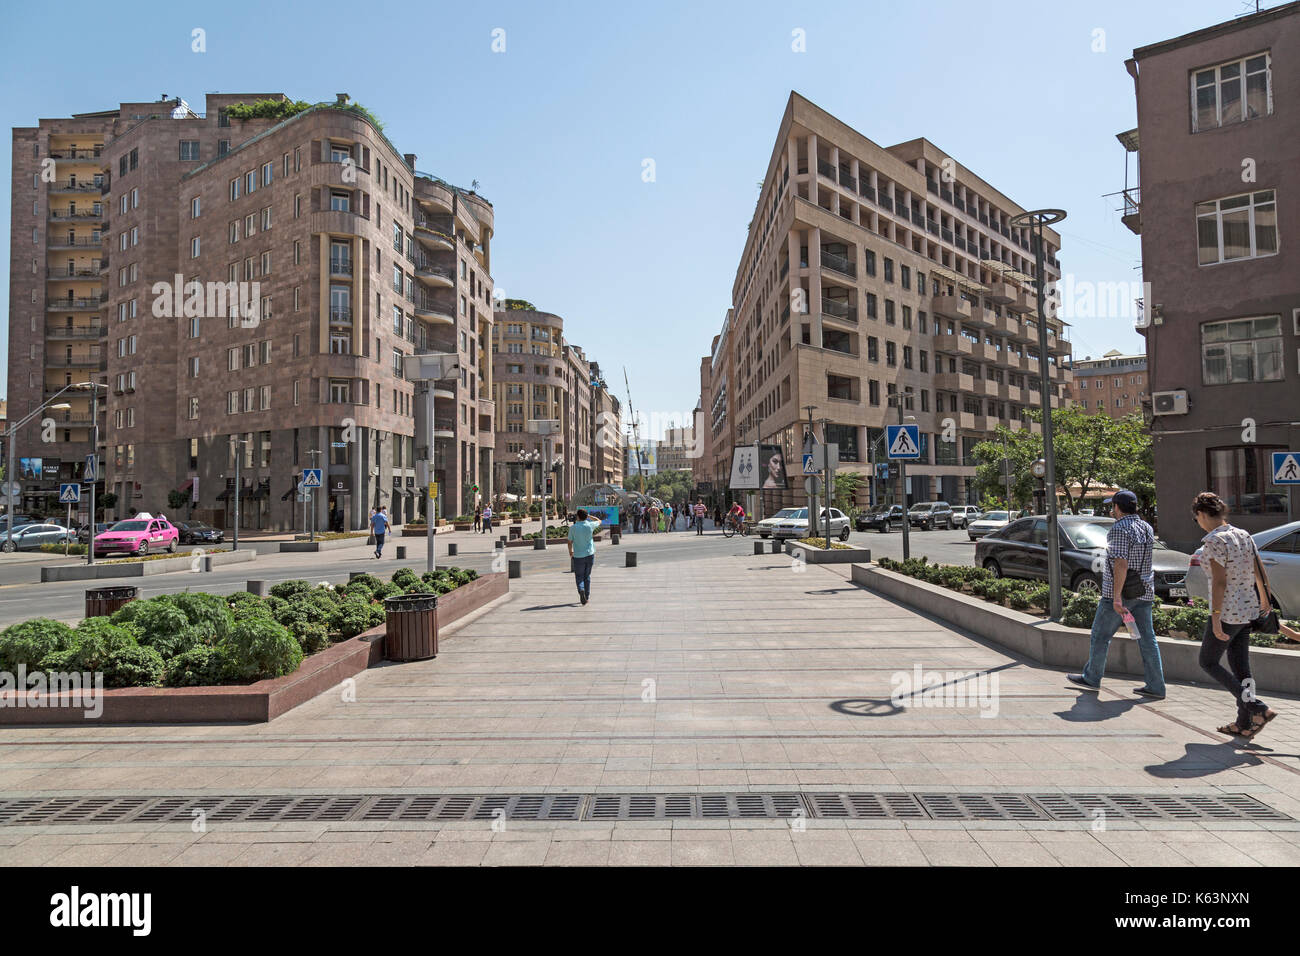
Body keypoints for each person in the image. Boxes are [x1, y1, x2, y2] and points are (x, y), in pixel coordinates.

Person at [1191, 491, 1278, 739]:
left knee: (1207, 662)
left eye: (1197, 518)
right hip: (1248, 609)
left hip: (1228, 612)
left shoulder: (1214, 541)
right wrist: (1264, 598)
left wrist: (1216, 617)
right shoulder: (1243, 535)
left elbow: (1219, 582)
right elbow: (1258, 568)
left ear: (1201, 514)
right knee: (1241, 668)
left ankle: (1257, 708)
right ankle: (1244, 723)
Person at [1067, 490, 1166, 699]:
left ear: (1118, 508)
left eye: (1112, 506)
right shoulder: (1147, 527)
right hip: (1144, 591)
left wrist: (1117, 597)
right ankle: (1156, 686)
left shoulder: (1119, 529)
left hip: (1120, 594)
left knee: (1100, 635)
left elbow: (1121, 564)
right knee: (1148, 639)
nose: (1112, 510)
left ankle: (1092, 678)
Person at [566, 508, 602, 606]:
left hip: (578, 556)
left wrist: (570, 552)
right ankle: (587, 595)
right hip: (590, 554)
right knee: (587, 576)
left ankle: (581, 590)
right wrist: (589, 516)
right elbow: (599, 520)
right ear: (586, 517)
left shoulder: (573, 528)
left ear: (577, 516)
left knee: (579, 576)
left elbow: (569, 542)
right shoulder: (590, 525)